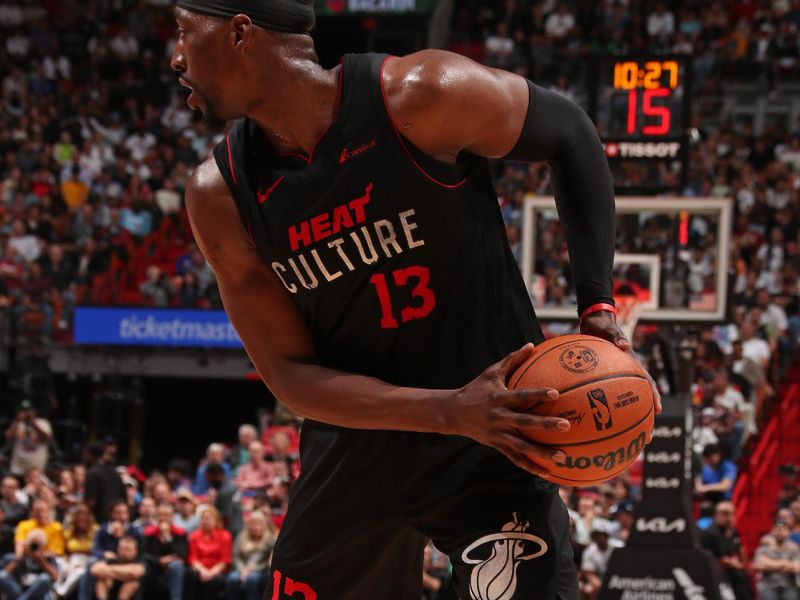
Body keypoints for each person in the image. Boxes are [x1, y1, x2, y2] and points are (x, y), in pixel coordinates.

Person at [171, 1, 661, 597]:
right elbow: (290, 375)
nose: (175, 56)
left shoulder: (419, 96)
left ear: (240, 33)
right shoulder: (220, 194)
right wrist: (446, 409)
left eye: (182, 32)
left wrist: (598, 308)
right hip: (358, 449)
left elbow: (571, 134)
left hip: (495, 432)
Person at [701, 501, 751, 600]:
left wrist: (744, 565)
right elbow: (717, 559)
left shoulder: (732, 532)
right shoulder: (710, 534)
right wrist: (737, 565)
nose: (729, 518)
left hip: (735, 575)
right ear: (716, 515)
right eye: (725, 514)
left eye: (731, 514)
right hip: (719, 576)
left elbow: (740, 549)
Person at [225, 510, 276, 600]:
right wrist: (242, 570)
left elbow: (267, 561)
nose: (255, 527)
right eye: (252, 524)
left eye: (258, 524)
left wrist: (252, 570)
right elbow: (236, 556)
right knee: (232, 578)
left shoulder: (270, 539)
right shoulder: (241, 537)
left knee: (252, 579)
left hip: (260, 570)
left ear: (264, 525)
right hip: (241, 569)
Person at [142, 503, 187, 600]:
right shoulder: (149, 532)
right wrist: (160, 560)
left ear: (172, 517)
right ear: (156, 517)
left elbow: (182, 554)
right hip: (154, 565)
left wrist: (168, 538)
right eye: (160, 515)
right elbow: (143, 553)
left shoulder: (180, 533)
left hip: (172, 566)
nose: (163, 518)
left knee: (176, 565)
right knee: (144, 565)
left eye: (166, 515)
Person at [186, 506, 232, 600]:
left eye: (208, 518)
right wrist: (203, 571)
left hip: (217, 570)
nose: (205, 521)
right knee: (191, 575)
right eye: (203, 518)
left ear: (216, 520)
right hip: (200, 569)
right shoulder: (194, 536)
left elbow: (225, 560)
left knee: (214, 581)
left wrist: (211, 573)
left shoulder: (225, 535)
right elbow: (193, 558)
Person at [0, 530, 59, 600]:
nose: (34, 548)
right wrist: (19, 559)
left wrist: (41, 560)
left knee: (44, 578)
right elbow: (5, 574)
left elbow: (55, 577)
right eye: (32, 545)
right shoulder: (22, 557)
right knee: (2, 575)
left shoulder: (48, 558)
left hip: (38, 593)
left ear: (43, 546)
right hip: (20, 590)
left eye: (37, 545)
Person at [89, 535, 146, 600]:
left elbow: (134, 572)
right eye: (121, 549)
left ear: (135, 551)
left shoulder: (140, 561)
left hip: (130, 596)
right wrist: (123, 574)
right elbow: (94, 569)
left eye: (128, 549)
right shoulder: (113, 560)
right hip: (110, 593)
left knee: (131, 582)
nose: (124, 552)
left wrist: (109, 571)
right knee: (101, 580)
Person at [5, 400, 52, 478]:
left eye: (28, 410)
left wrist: (32, 423)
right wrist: (17, 421)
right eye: (23, 411)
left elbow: (46, 438)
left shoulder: (43, 422)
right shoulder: (17, 424)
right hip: (18, 469)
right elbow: (8, 438)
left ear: (34, 411)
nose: (26, 413)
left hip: (37, 470)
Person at [754, 520, 800, 600]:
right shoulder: (764, 549)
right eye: (777, 529)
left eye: (783, 529)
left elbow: (797, 567)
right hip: (768, 586)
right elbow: (759, 565)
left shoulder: (794, 549)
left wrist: (770, 563)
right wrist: (785, 563)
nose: (780, 532)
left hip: (789, 585)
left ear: (788, 532)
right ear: (772, 531)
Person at [83, 442, 126, 524]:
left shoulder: (92, 473)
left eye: (85, 454)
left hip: (99, 521)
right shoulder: (115, 473)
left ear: (90, 455)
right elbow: (123, 498)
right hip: (117, 520)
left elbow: (91, 502)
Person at [579, 521, 623, 600]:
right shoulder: (590, 551)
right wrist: (600, 584)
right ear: (594, 537)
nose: (600, 538)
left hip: (618, 577)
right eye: (597, 535)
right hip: (600, 579)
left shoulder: (618, 547)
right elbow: (589, 573)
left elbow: (627, 564)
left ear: (606, 536)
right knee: (590, 589)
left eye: (602, 535)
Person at [204, 463, 243, 537]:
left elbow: (226, 519)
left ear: (218, 475)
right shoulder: (232, 486)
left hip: (231, 533)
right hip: (239, 528)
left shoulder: (224, 493)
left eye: (209, 478)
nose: (209, 482)